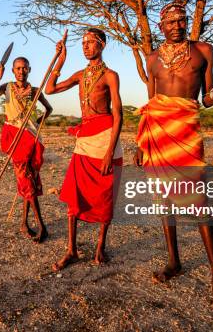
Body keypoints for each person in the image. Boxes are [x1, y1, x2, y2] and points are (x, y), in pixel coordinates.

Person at [134, 2, 213, 310]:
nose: (177, 25)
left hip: (186, 132)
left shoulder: (203, 50)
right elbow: (151, 101)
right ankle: (174, 262)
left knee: (198, 202)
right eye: (171, 22)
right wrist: (141, 144)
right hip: (157, 131)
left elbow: (206, 99)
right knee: (163, 200)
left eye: (182, 20)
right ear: (161, 26)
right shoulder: (151, 59)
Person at [45, 28, 123, 270]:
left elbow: (119, 114)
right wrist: (61, 59)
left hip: (105, 137)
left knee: (105, 193)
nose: (86, 46)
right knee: (74, 190)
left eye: (91, 42)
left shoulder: (111, 75)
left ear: (102, 45)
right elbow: (49, 89)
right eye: (83, 43)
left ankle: (100, 247)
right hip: (85, 137)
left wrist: (110, 151)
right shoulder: (80, 74)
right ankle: (71, 250)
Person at [0, 57, 52, 243]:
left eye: (24, 68)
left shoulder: (36, 91)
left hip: (31, 137)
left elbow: (49, 109)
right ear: (13, 71)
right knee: (26, 180)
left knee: (29, 180)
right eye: (18, 68)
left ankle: (23, 223)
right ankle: (41, 225)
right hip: (15, 137)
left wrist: (36, 124)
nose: (21, 71)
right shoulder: (6, 87)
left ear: (29, 69)